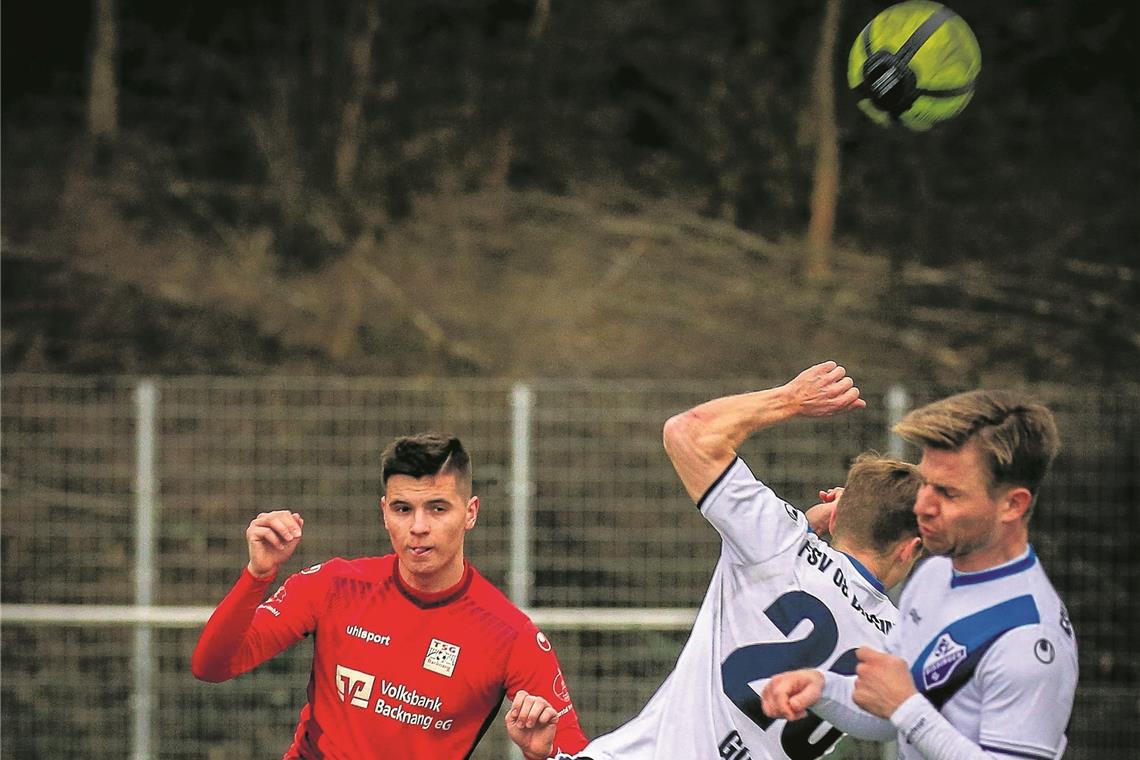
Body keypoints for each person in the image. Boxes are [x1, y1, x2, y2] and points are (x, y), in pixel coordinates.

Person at [505, 360, 925, 760]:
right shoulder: (901, 642)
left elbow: (688, 433)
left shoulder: (779, 541)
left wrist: (792, 398)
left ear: (835, 515)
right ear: (910, 548)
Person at [192, 432, 588, 760]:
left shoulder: (510, 636)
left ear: (470, 513)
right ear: (384, 512)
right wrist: (258, 575)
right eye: (402, 508)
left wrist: (544, 755)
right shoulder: (334, 585)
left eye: (437, 509)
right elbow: (211, 665)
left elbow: (574, 751)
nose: (418, 527)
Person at [761, 390, 1078, 760]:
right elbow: (892, 709)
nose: (923, 506)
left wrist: (906, 706)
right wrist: (825, 689)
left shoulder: (1030, 638)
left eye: (947, 493)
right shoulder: (934, 577)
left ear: (1012, 504)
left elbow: (906, 708)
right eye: (925, 483)